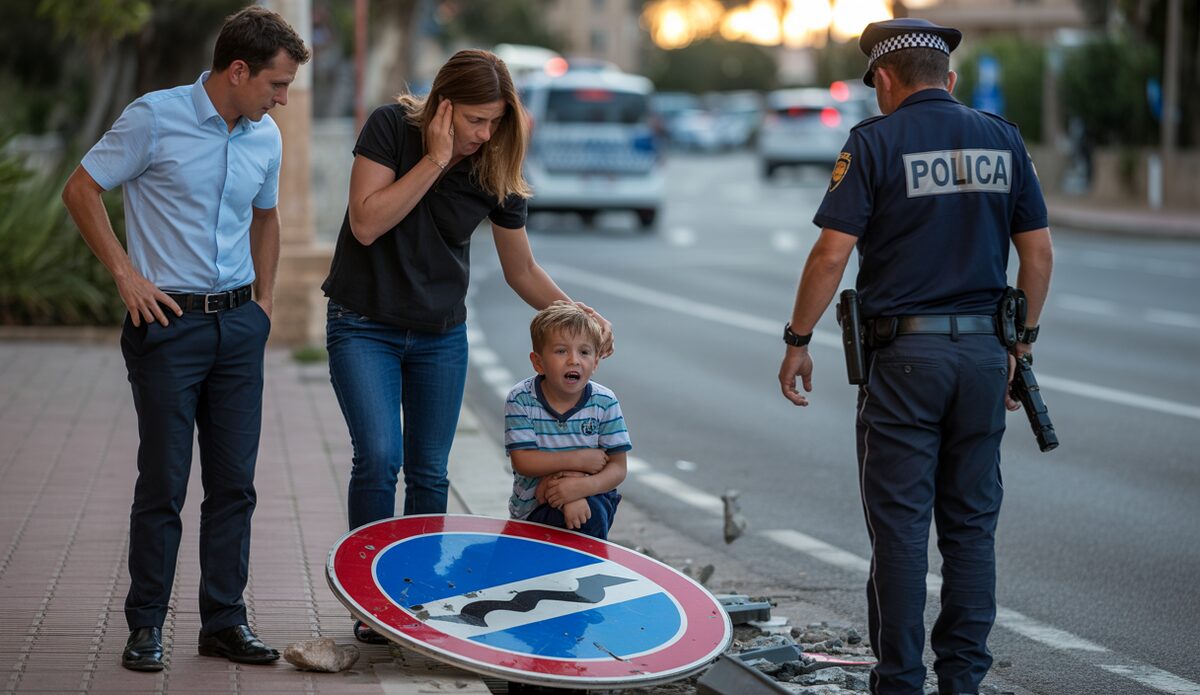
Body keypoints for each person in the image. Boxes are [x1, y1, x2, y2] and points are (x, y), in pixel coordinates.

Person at [775, 18, 1054, 695]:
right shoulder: (1003, 139)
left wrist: (798, 339)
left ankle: (899, 681)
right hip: (987, 356)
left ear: (889, 80)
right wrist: (1021, 344)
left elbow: (832, 253)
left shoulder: (875, 143)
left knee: (900, 529)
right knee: (970, 528)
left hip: (905, 361)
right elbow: (1038, 252)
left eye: (876, 85)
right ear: (950, 80)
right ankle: (963, 681)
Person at [320, 49, 613, 644]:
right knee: (378, 458)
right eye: (475, 120)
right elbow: (367, 223)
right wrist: (435, 158)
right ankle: (371, 601)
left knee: (429, 472)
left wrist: (578, 317)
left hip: (439, 336)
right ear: (444, 105)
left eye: (495, 122)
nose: (484, 134)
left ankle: (417, 600)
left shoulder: (495, 163)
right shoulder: (389, 129)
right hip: (364, 323)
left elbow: (521, 269)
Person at [61, 6, 309, 672]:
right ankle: (146, 625)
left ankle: (223, 620)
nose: (281, 100)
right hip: (166, 327)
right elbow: (81, 188)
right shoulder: (153, 117)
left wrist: (262, 304)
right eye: (275, 85)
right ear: (238, 70)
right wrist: (125, 276)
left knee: (234, 484)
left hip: (237, 328)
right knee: (164, 481)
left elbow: (267, 219)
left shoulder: (263, 137)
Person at [505, 301, 630, 539]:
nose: (573, 360)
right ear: (538, 362)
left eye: (584, 352)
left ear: (595, 363)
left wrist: (579, 488)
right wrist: (579, 460)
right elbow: (523, 461)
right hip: (534, 507)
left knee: (589, 514)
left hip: (592, 497)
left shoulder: (605, 402)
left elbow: (618, 468)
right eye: (561, 351)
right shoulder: (521, 399)